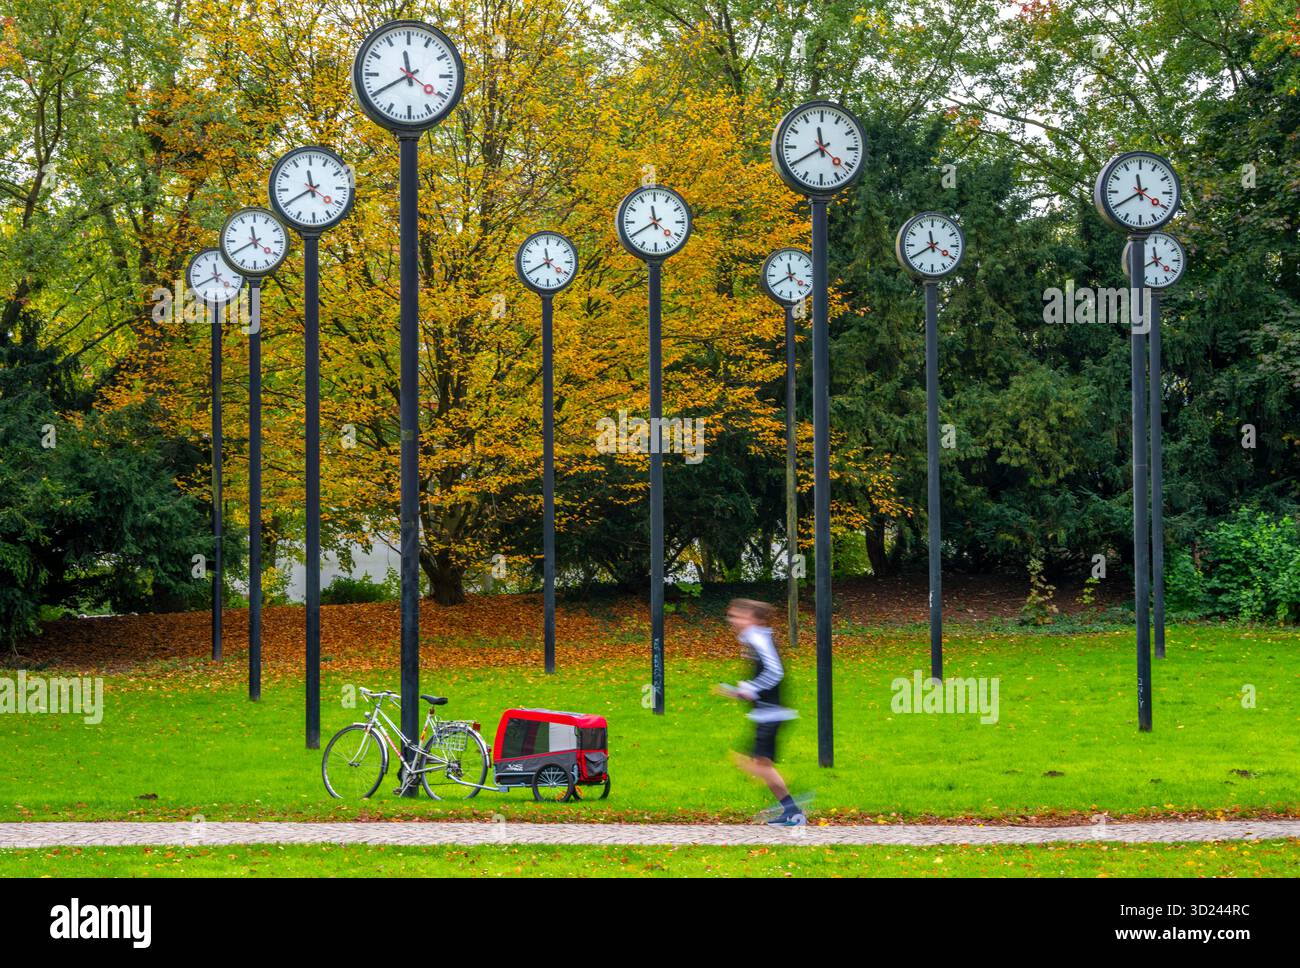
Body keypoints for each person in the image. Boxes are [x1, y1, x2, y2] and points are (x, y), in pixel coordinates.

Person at [716, 598, 805, 826]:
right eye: (731, 616)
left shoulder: (758, 638)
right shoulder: (755, 638)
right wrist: (740, 692)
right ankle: (791, 811)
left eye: (738, 616)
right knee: (757, 764)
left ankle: (796, 805)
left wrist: (752, 687)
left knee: (753, 764)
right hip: (766, 713)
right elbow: (767, 674)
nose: (732, 620)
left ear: (753, 619)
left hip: (771, 714)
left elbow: (776, 671)